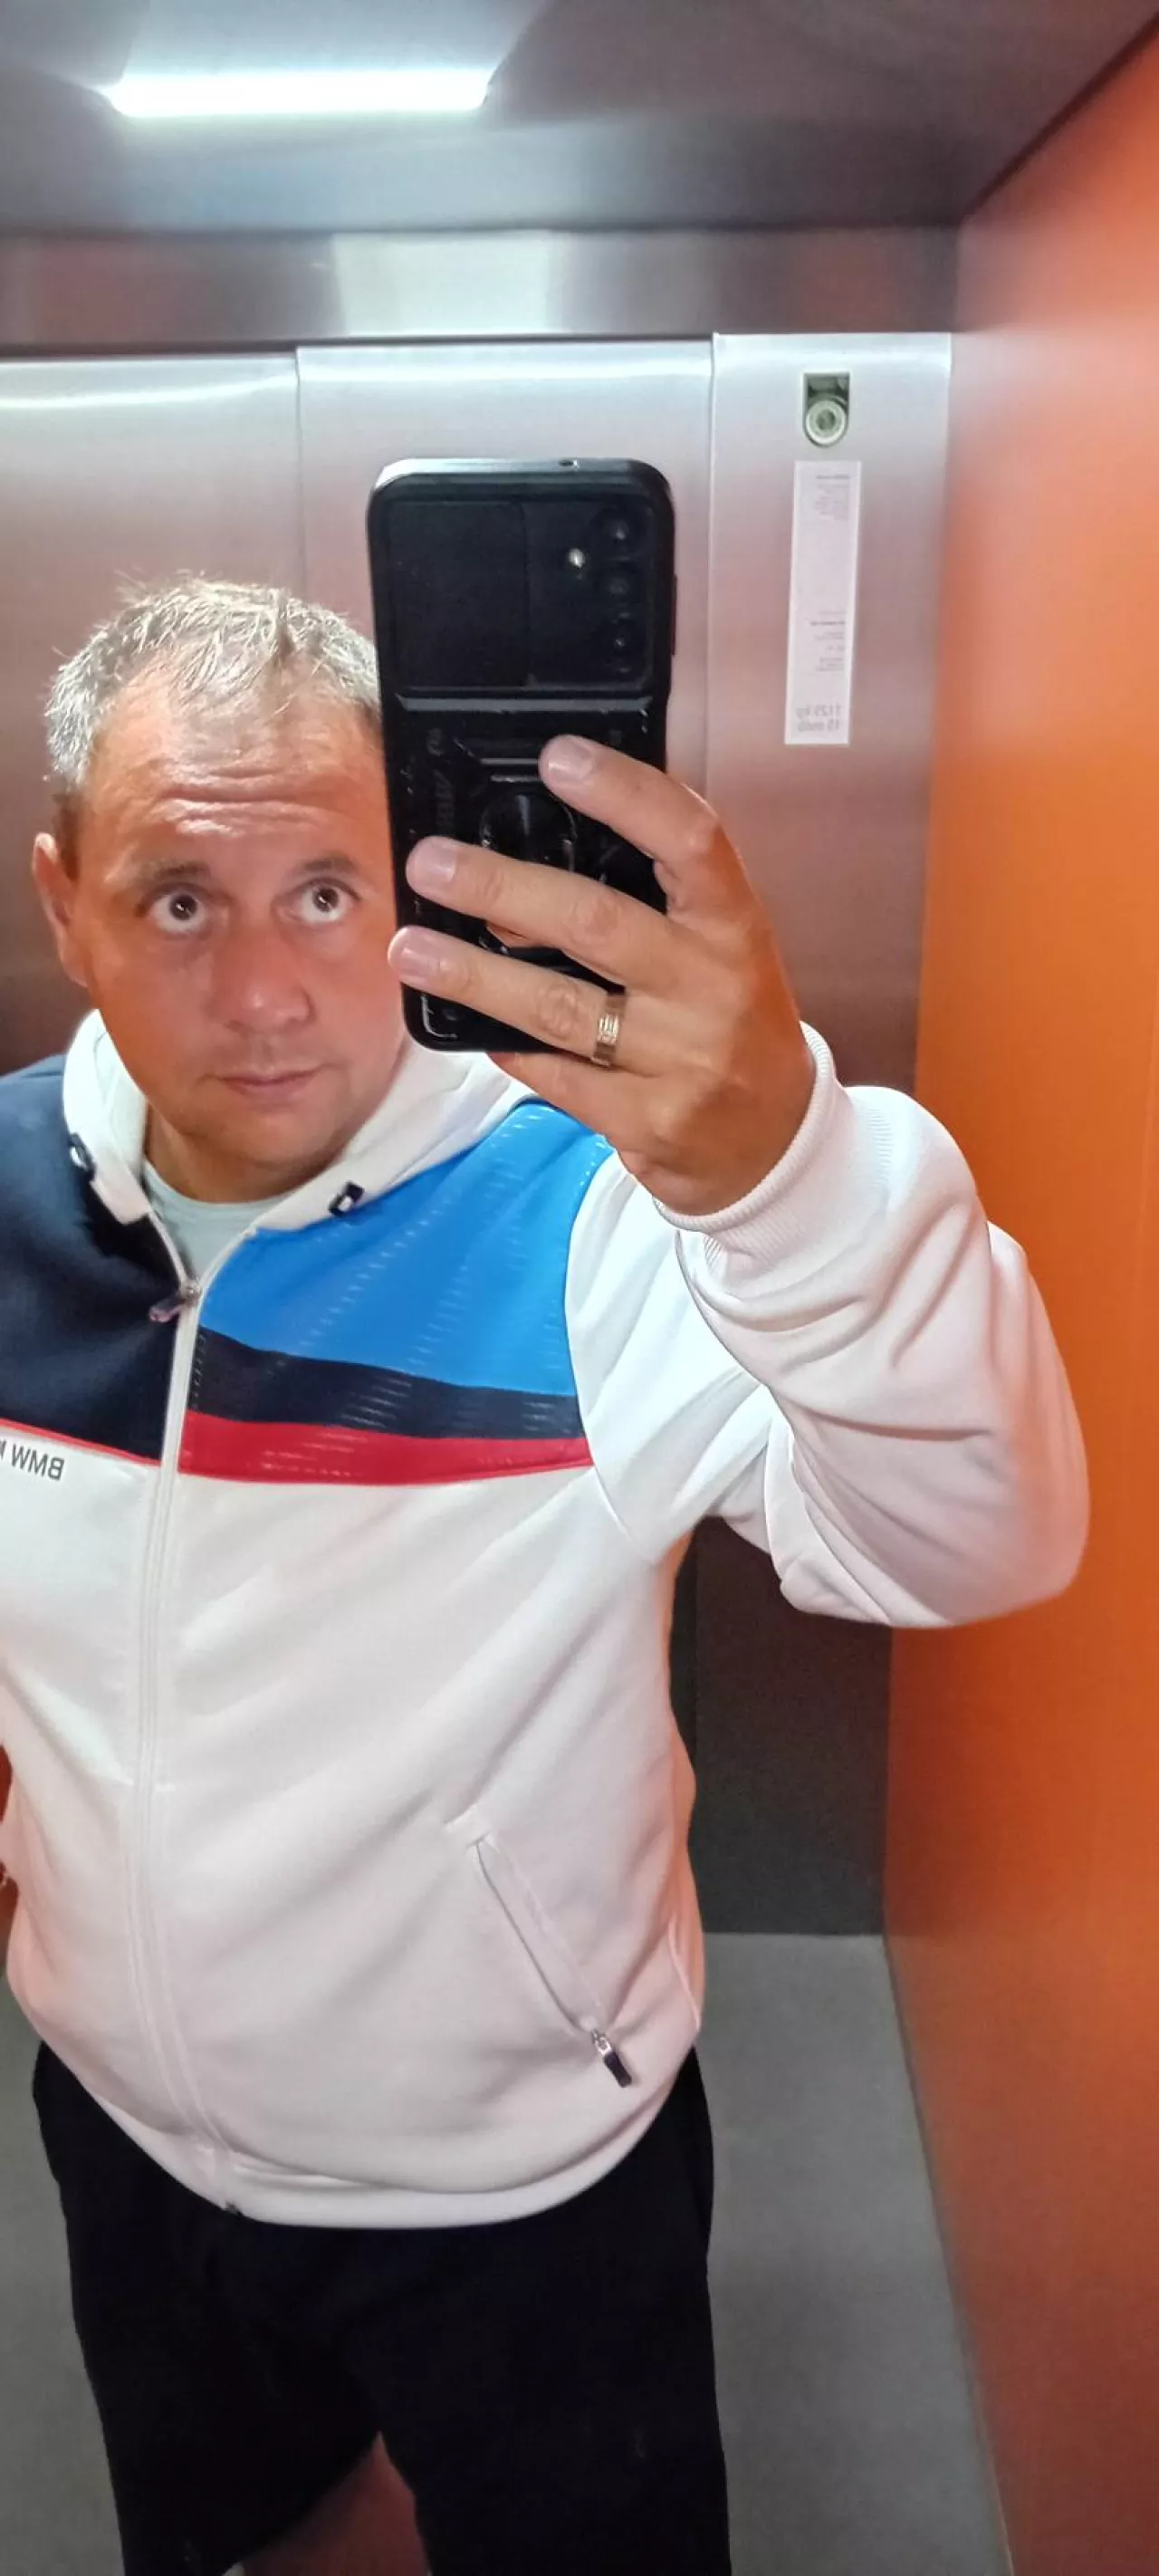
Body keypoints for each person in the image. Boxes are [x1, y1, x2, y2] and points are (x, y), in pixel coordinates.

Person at [0, 578, 1087, 2576]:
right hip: (131, 2140)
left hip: (521, 2188)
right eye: (181, 901)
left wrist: (788, 1174)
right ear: (66, 907)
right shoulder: (0, 1207)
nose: (264, 993)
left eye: (328, 893)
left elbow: (975, 1537)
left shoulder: (596, 1213)